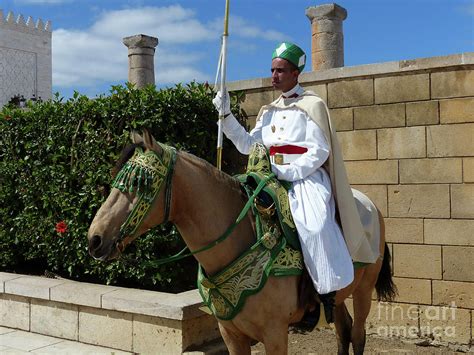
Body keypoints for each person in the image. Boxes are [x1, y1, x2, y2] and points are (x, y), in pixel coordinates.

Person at [213, 42, 377, 325]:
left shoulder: (312, 105)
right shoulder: (268, 111)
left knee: (314, 226)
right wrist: (226, 117)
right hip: (269, 176)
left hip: (306, 178)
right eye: (272, 70)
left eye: (281, 71)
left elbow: (320, 150)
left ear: (295, 73)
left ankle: (323, 293)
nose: (274, 76)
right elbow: (248, 146)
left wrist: (289, 172)